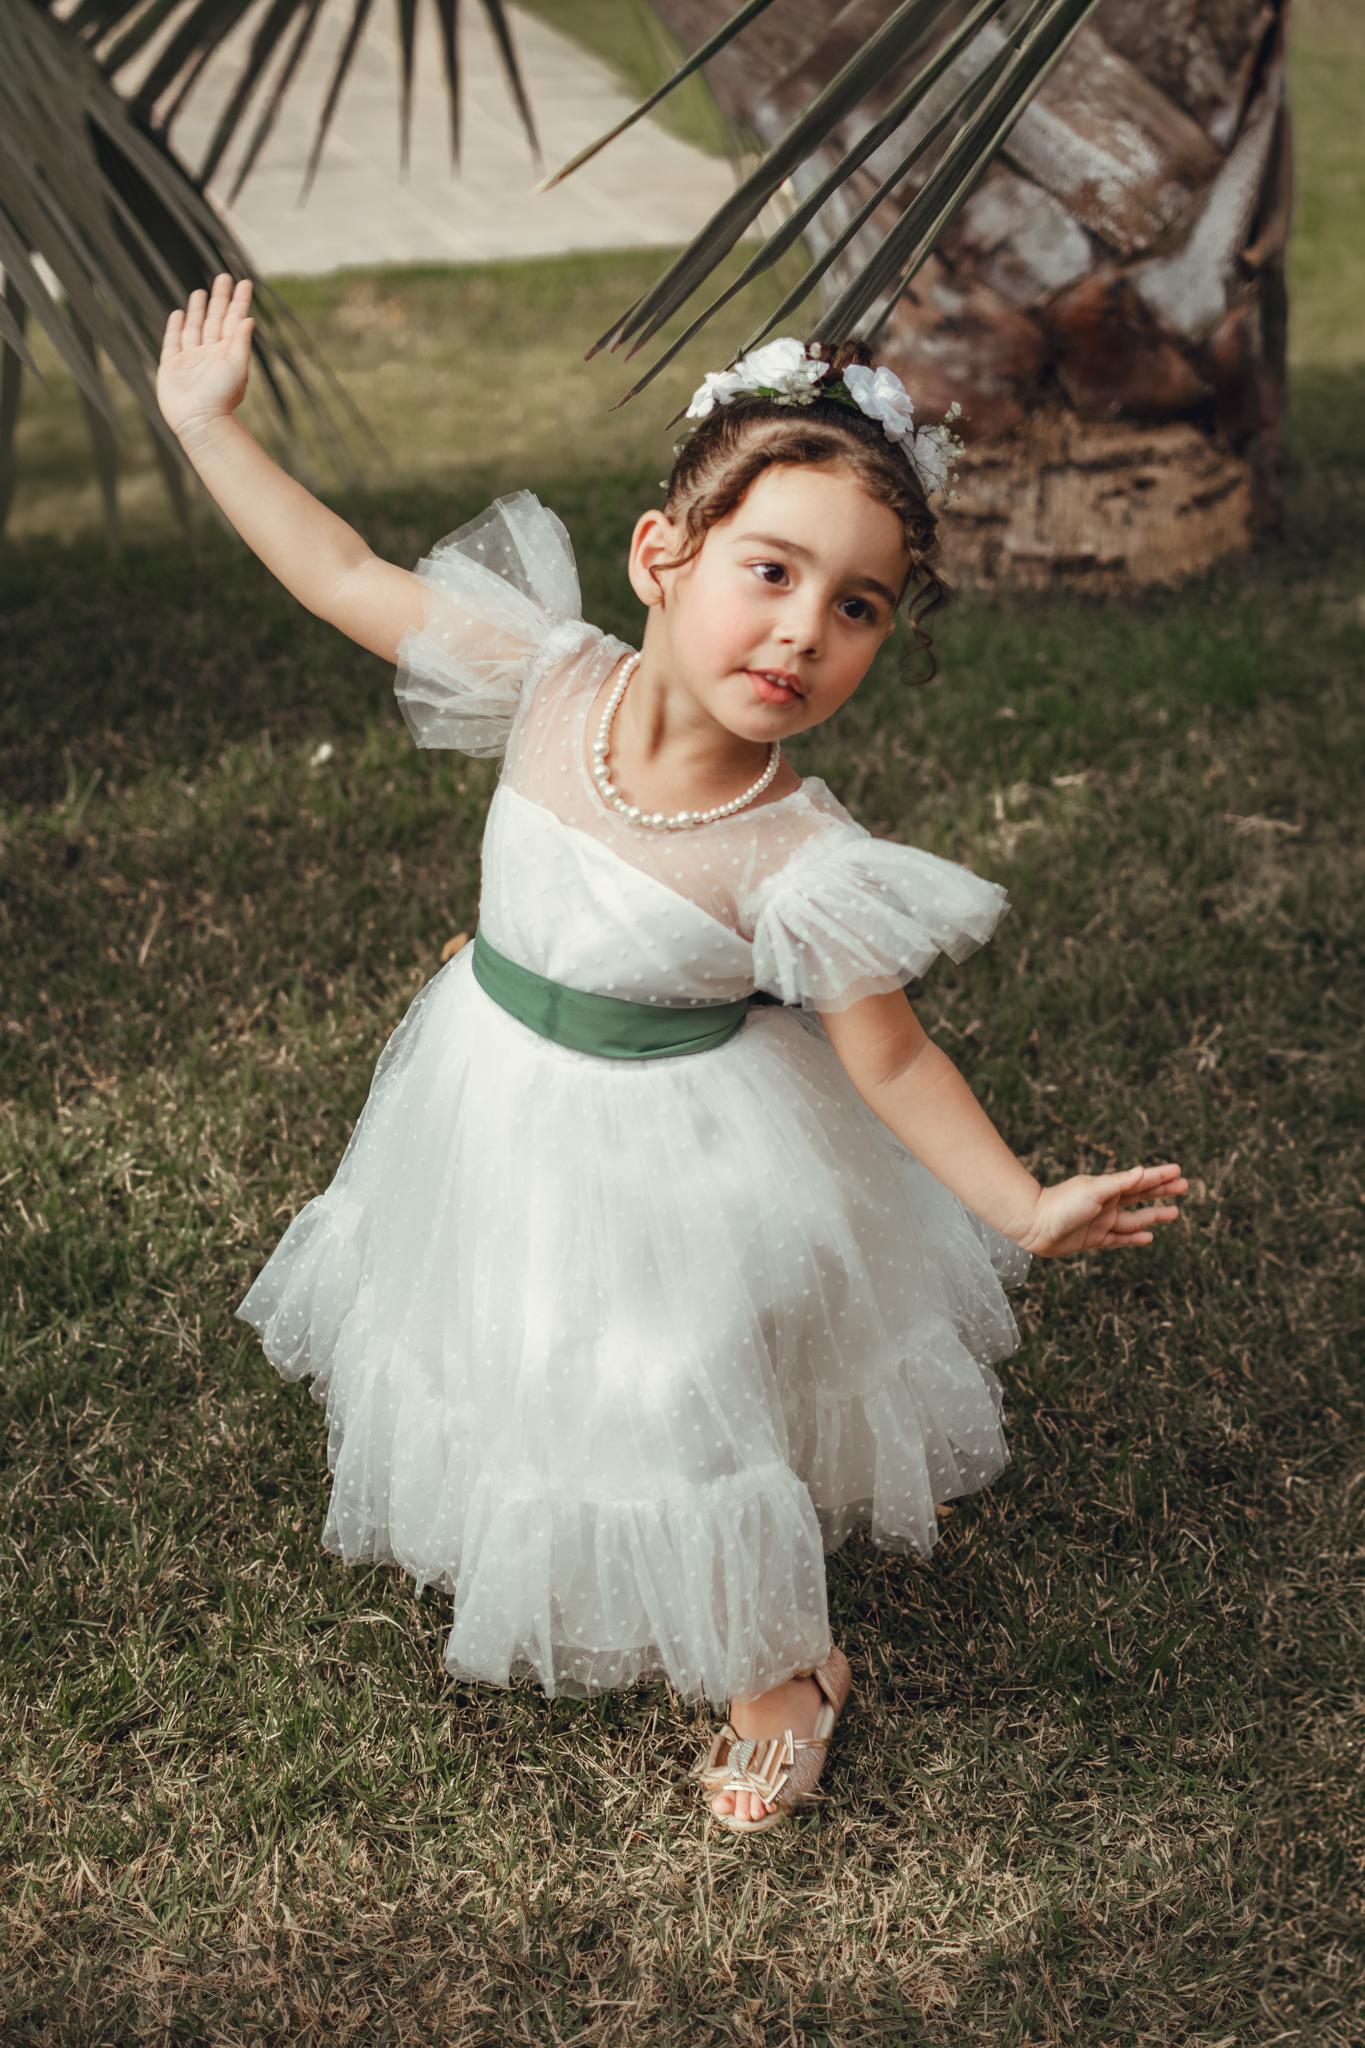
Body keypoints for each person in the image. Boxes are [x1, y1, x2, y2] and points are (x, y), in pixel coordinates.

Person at [158, 276, 1185, 1835]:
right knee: (516, 1335)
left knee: (672, 1404)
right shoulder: (544, 677)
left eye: (858, 607)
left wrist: (1023, 1203)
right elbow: (341, 571)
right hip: (496, 1094)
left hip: (678, 1160)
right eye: (769, 571)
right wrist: (208, 428)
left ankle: (784, 1676)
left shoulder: (797, 856)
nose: (803, 629)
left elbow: (893, 1063)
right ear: (660, 554)